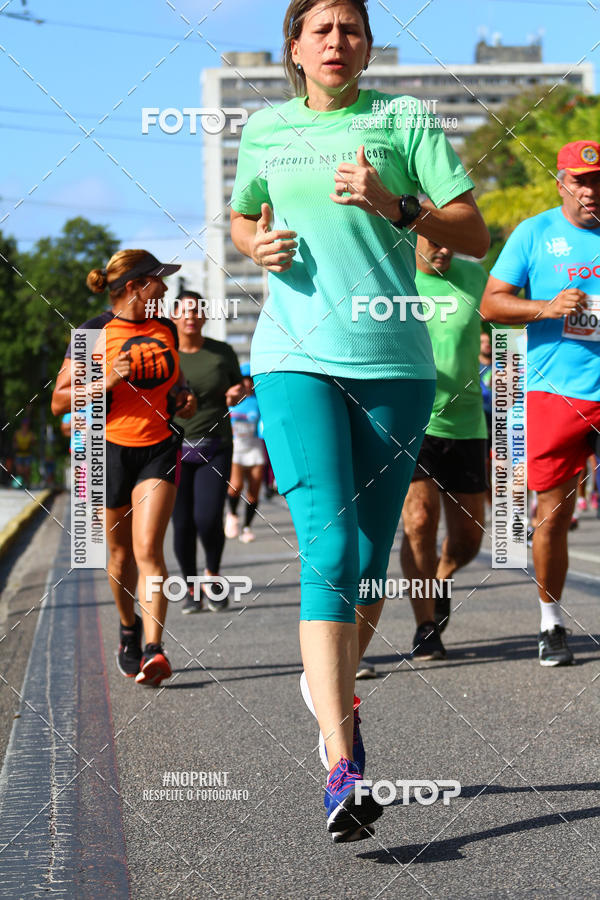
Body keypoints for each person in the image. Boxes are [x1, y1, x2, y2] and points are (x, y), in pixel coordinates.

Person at [230, 0, 488, 842]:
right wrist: (251, 246)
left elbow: (472, 231)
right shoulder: (266, 129)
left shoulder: (405, 119)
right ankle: (343, 765)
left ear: (370, 46)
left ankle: (328, 686)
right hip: (293, 354)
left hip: (397, 363)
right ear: (295, 48)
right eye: (322, 29)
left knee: (371, 566)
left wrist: (397, 204)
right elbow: (246, 212)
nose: (337, 42)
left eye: (351, 29)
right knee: (333, 548)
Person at [51, 249, 195, 686]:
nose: (166, 288)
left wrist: (186, 400)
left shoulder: (165, 327)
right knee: (118, 554)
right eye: (158, 281)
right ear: (134, 286)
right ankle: (128, 629)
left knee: (148, 549)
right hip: (106, 448)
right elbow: (59, 400)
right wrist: (106, 381)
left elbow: (178, 383)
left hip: (158, 446)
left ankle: (155, 649)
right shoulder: (92, 333)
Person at [481, 140, 600, 666]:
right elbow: (492, 303)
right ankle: (551, 622)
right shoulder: (534, 233)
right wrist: (548, 308)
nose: (591, 190)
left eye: (598, 180)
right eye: (581, 180)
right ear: (561, 183)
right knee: (553, 516)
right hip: (556, 392)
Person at [400, 236, 488, 660]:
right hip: (412, 420)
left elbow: (505, 329)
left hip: (468, 422)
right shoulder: (394, 276)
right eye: (435, 241)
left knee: (470, 539)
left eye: (452, 241)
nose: (445, 249)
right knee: (419, 521)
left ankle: (441, 576)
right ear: (411, 238)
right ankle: (425, 625)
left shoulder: (474, 276)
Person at [170, 290, 244, 613]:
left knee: (207, 517)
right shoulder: (166, 353)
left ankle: (212, 576)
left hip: (215, 446)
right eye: (184, 311)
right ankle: (190, 587)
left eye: (197, 311)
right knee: (182, 522)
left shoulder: (221, 352)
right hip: (171, 449)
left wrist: (239, 391)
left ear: (205, 316)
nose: (191, 316)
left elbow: (242, 386)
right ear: (174, 315)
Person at [225, 363, 266, 544]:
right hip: (236, 447)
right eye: (245, 379)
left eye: (251, 380)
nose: (248, 383)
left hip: (254, 447)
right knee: (235, 486)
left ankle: (247, 527)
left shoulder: (259, 401)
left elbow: (265, 425)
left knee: (254, 492)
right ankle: (232, 514)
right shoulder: (231, 399)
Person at [13, 418, 35, 488]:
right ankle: (20, 482)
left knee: (27, 470)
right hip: (19, 454)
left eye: (27, 425)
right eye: (24, 425)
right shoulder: (17, 433)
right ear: (22, 425)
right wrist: (15, 446)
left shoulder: (31, 434)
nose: (25, 426)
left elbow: (34, 443)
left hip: (27, 454)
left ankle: (27, 483)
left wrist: (32, 442)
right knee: (19, 470)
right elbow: (14, 442)